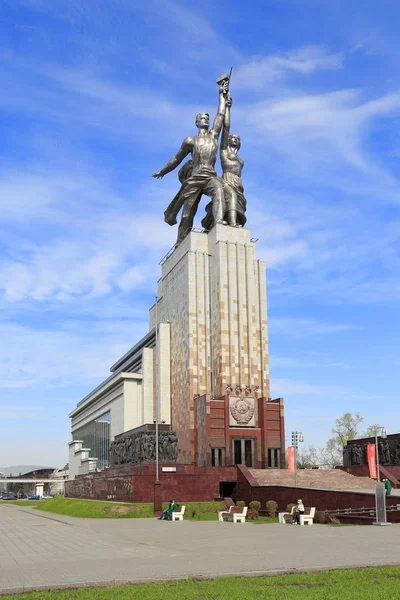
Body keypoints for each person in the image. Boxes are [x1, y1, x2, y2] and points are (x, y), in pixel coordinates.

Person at [152, 77, 230, 247]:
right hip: (194, 178)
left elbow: (221, 114)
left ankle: (218, 224)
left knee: (219, 189)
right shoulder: (190, 140)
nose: (206, 119)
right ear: (196, 122)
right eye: (202, 118)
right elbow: (176, 158)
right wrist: (163, 171)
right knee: (188, 213)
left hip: (210, 176)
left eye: (207, 117)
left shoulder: (213, 136)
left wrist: (221, 95)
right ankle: (181, 242)